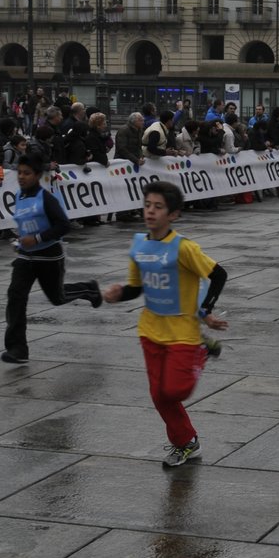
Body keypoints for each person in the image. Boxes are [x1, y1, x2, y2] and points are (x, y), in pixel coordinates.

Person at [101, 182, 229, 467]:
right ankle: (185, 442)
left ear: (173, 215)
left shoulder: (184, 248)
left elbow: (218, 275)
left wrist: (206, 311)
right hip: (150, 331)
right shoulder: (139, 245)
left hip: (184, 334)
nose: (150, 211)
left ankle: (201, 351)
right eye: (147, 205)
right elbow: (136, 287)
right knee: (159, 395)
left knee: (175, 391)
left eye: (158, 207)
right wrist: (119, 293)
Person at [0, 154, 105, 363]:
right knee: (15, 297)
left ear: (37, 176)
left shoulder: (46, 198)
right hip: (25, 257)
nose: (21, 177)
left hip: (49, 256)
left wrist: (38, 238)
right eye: (19, 173)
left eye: (27, 173)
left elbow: (63, 225)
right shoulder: (19, 196)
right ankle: (17, 349)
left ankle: (90, 289)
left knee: (57, 298)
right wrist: (21, 240)